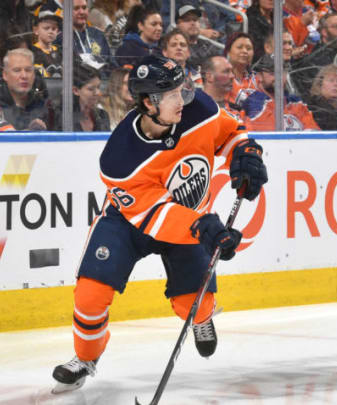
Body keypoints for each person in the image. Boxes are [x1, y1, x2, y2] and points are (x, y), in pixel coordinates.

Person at [50, 54, 267, 393]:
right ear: (149, 102)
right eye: (172, 95)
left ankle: (202, 317)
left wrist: (245, 152)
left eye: (184, 89)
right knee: (91, 294)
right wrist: (205, 228)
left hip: (191, 219)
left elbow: (229, 132)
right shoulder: (119, 159)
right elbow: (156, 216)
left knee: (193, 306)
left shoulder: (198, 109)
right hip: (130, 223)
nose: (183, 99)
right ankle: (85, 358)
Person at [242, 54, 320, 131]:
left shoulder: (295, 102)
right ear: (260, 76)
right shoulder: (254, 102)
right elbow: (269, 135)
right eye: (272, 73)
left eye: (282, 72)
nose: (278, 78)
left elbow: (313, 132)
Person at [0, 48, 55, 131]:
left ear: (34, 74)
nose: (24, 76)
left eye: (28, 70)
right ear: (5, 75)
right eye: (17, 70)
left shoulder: (44, 105)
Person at [58, 63, 110, 132]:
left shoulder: (103, 115)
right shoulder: (61, 118)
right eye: (91, 89)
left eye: (98, 87)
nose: (98, 93)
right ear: (76, 91)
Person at [176, 5, 221, 70]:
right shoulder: (173, 46)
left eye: (195, 20)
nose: (192, 23)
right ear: (177, 25)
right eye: (187, 20)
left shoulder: (208, 45)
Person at [224, 32, 257, 106]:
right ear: (228, 51)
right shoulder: (219, 77)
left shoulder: (258, 80)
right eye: (239, 47)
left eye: (249, 48)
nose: (245, 51)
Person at [32, 6, 63, 78]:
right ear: (36, 30)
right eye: (46, 28)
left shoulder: (62, 51)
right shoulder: (31, 52)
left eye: (54, 28)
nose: (50, 31)